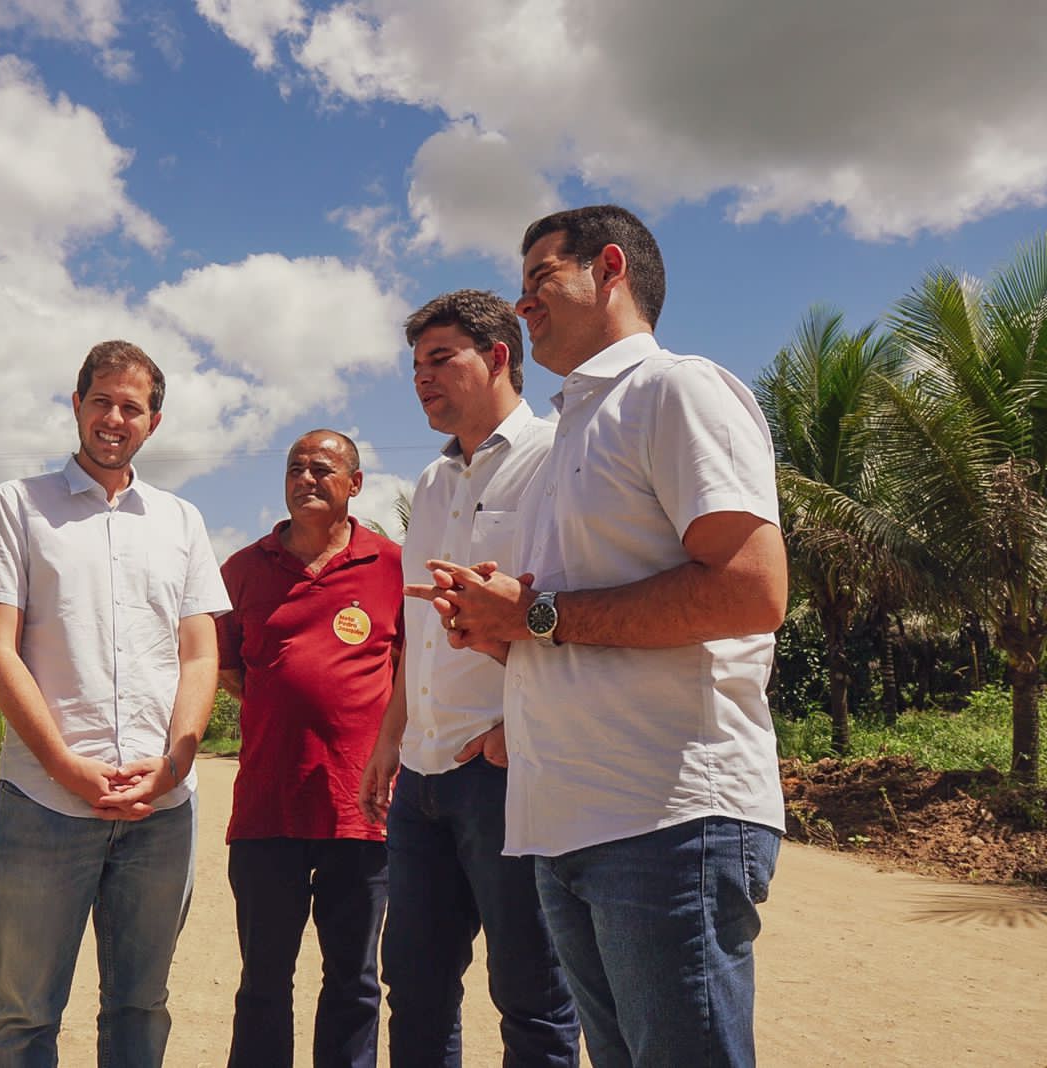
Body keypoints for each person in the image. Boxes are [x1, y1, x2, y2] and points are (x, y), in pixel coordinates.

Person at [417, 205, 788, 1068]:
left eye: (539, 279)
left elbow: (752, 589)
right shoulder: (576, 429)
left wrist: (537, 615)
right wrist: (501, 629)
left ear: (609, 268)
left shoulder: (675, 390)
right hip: (570, 822)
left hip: (667, 816)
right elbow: (578, 626)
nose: (523, 305)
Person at [0, 340, 229, 1067]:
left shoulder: (181, 521)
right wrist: (62, 764)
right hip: (43, 806)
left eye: (132, 406)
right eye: (101, 401)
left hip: (160, 814)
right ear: (77, 403)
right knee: (24, 1017)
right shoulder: (19, 506)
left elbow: (199, 651)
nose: (114, 418)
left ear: (153, 421)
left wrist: (177, 764)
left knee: (140, 1007)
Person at [357, 291, 580, 1067]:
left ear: (497, 356)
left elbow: (575, 611)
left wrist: (520, 728)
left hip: (504, 773)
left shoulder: (559, 458)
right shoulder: (431, 483)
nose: (422, 378)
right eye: (415, 364)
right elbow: (420, 632)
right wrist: (393, 737)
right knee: (414, 990)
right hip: (420, 780)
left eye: (440, 358)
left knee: (533, 996)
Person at [216, 429, 404, 1068]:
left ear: (355, 484)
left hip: (362, 814)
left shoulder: (393, 567)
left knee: (353, 982)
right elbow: (228, 670)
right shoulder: (242, 569)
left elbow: (411, 671)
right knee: (263, 984)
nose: (307, 478)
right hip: (267, 812)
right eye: (296, 468)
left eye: (323, 469)